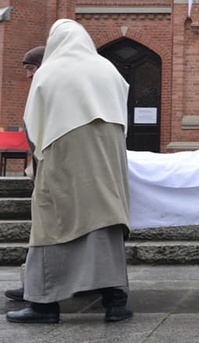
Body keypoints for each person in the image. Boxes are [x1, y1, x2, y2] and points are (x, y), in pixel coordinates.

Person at [6, 19, 133, 324]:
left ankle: (45, 305)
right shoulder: (108, 69)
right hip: (108, 159)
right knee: (104, 218)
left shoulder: (50, 70)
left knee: (53, 220)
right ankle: (116, 303)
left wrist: (38, 160)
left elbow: (33, 121)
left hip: (63, 155)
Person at [3, 45, 46, 303]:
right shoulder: (39, 90)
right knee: (39, 234)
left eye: (31, 68)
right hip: (41, 172)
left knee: (45, 235)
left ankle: (38, 289)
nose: (28, 76)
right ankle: (33, 284)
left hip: (54, 176)